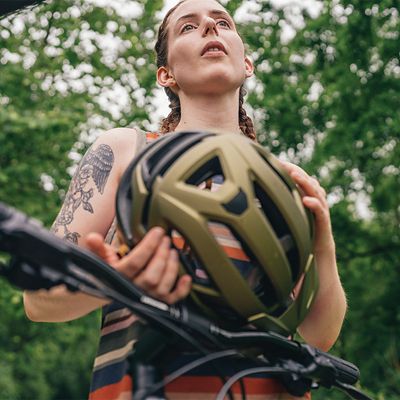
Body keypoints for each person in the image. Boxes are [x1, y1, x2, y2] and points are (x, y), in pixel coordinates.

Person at [23, 0, 347, 398]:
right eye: (188, 27)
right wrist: (119, 279)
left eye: (222, 22)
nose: (210, 28)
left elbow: (319, 336)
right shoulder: (127, 150)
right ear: (166, 74)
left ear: (247, 64)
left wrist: (324, 244)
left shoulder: (284, 184)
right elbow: (39, 300)